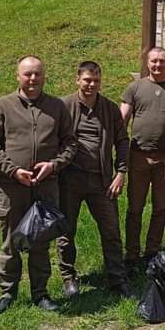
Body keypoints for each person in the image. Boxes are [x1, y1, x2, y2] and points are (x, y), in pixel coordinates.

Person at [0, 55, 77, 315]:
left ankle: (40, 294)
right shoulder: (2, 106)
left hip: (45, 188)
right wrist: (13, 171)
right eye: (27, 74)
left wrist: (53, 166)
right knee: (10, 242)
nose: (32, 79)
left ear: (45, 76)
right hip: (12, 188)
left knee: (40, 243)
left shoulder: (57, 107)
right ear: (18, 76)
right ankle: (7, 294)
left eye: (37, 74)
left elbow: (70, 144)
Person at [57, 61, 134, 299]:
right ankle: (68, 277)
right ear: (77, 80)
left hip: (102, 181)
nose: (91, 85)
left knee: (111, 231)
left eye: (96, 81)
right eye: (87, 80)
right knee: (65, 231)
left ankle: (117, 280)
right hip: (69, 180)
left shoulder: (110, 109)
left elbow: (122, 141)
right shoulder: (63, 107)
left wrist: (121, 172)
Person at [120, 47, 165, 272]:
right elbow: (122, 120)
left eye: (162, 61)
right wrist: (119, 154)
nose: (157, 65)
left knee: (160, 208)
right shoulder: (135, 87)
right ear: (147, 64)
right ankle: (131, 254)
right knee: (135, 208)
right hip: (138, 156)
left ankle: (152, 251)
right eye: (154, 61)